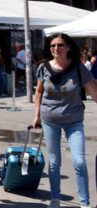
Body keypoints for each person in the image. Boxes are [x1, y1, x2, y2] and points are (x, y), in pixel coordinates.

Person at [31, 33, 97, 208]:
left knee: (79, 161)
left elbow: (93, 90)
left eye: (60, 45)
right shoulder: (43, 68)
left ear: (68, 47)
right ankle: (55, 199)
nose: (55, 49)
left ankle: (84, 202)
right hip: (49, 119)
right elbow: (38, 92)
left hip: (74, 121)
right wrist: (36, 115)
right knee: (54, 162)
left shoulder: (78, 68)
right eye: (52, 46)